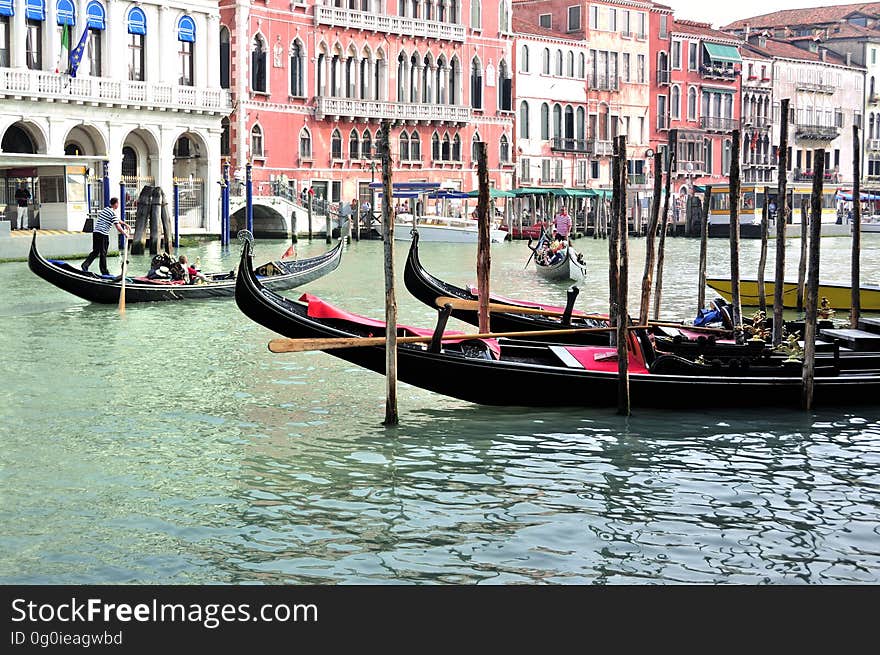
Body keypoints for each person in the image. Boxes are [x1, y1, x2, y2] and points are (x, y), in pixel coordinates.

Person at [81, 198, 132, 275]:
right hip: (103, 234)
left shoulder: (106, 209)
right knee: (103, 253)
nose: (118, 205)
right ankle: (104, 272)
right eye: (118, 203)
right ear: (115, 204)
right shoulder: (112, 213)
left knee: (95, 251)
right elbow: (118, 227)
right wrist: (125, 234)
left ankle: (85, 265)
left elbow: (117, 220)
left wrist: (125, 224)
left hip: (96, 233)